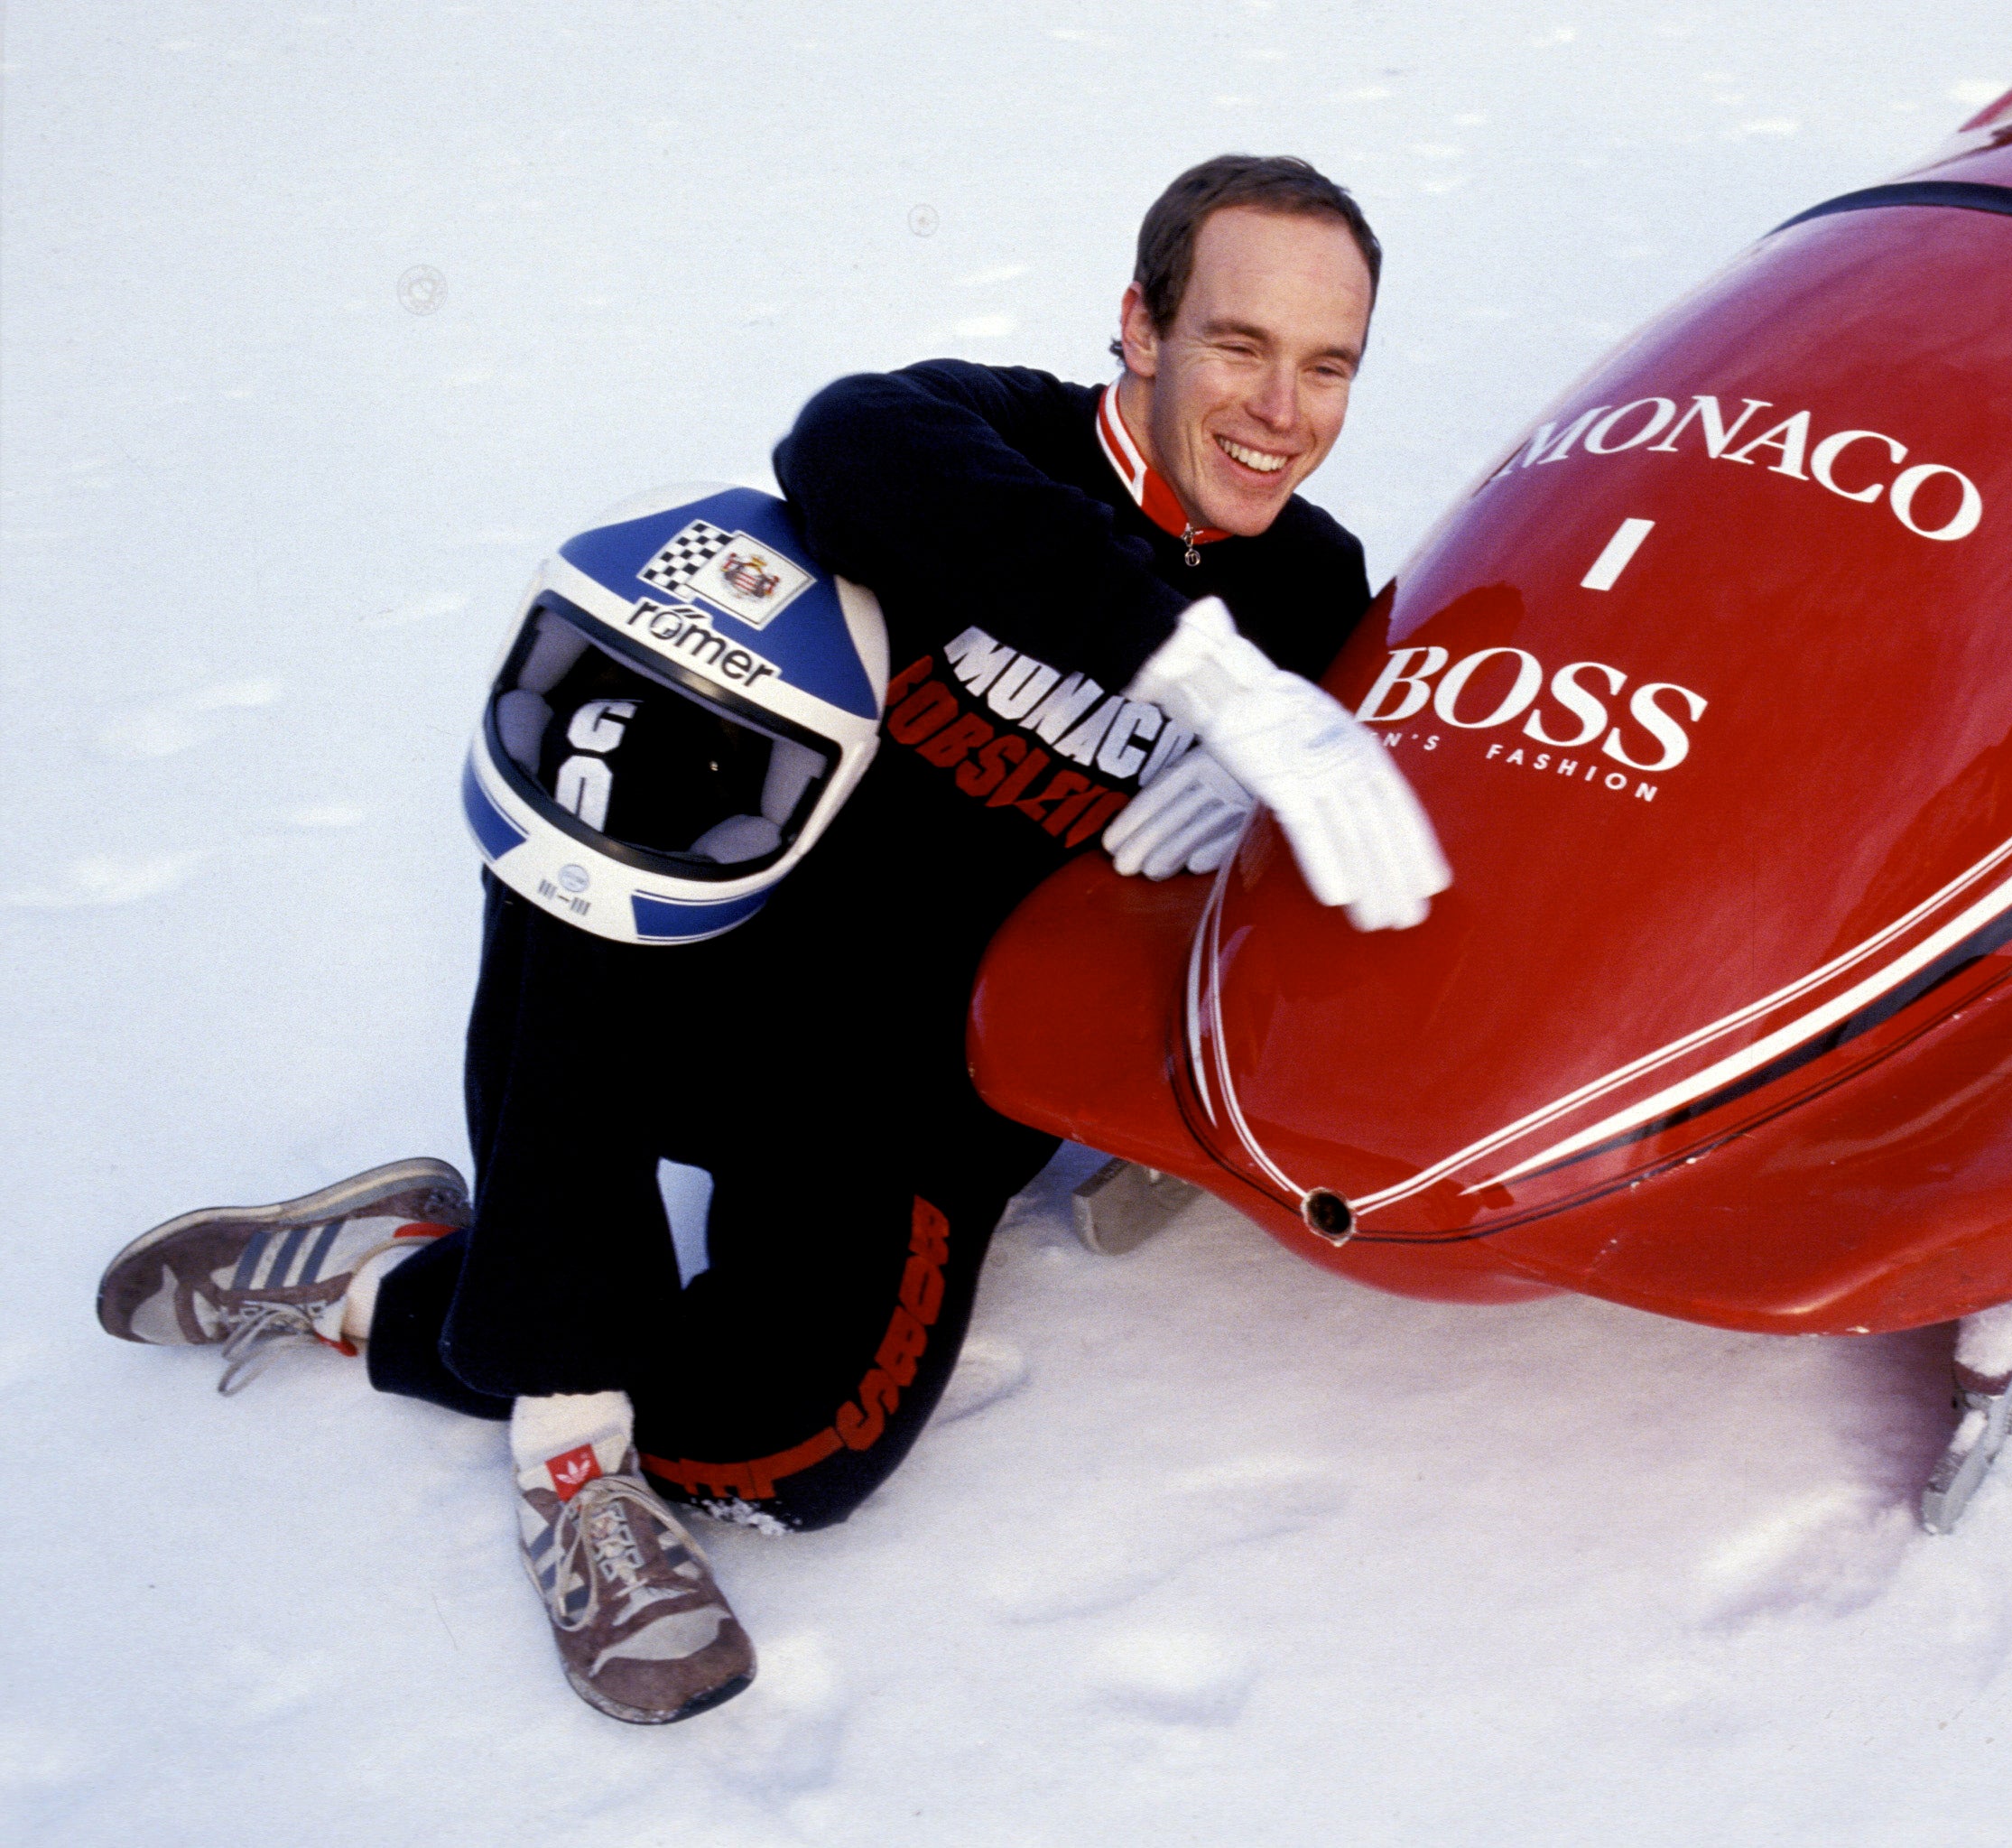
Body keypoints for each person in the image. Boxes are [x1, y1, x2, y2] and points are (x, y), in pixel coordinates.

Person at [92, 153, 1447, 1726]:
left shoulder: (1313, 590)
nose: (1280, 408)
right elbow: (846, 440)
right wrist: (1197, 677)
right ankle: (574, 1454)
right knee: (617, 766)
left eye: (1326, 365)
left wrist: (1261, 805)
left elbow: (1378, 793)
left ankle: (378, 1283)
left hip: (913, 1093)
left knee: (784, 1460)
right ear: (1139, 330)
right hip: (707, 989)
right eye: (1237, 344)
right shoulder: (978, 433)